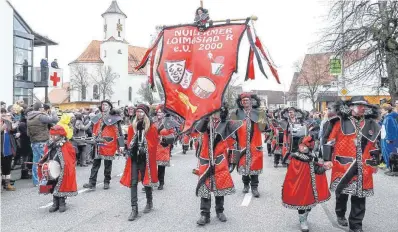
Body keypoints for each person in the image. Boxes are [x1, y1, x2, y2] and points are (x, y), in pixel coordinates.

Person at [322, 96, 381, 232]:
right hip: (343, 166)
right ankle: (340, 213)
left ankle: (356, 226)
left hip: (364, 167)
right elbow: (330, 141)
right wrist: (327, 159)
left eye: (364, 105)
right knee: (342, 194)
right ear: (350, 107)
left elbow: (374, 145)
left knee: (360, 197)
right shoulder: (340, 122)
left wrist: (375, 162)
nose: (362, 108)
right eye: (359, 105)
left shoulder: (371, 124)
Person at [193, 105, 243, 226]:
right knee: (204, 188)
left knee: (220, 188)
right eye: (213, 111)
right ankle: (204, 214)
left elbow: (233, 144)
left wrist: (233, 161)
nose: (215, 114)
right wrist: (205, 118)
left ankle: (220, 211)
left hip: (220, 161)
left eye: (218, 111)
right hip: (205, 161)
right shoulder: (203, 123)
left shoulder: (227, 125)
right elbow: (196, 134)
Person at [282, 128, 330, 232]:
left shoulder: (313, 157)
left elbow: (318, 170)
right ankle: (302, 220)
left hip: (310, 186)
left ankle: (304, 217)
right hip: (300, 185)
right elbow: (291, 172)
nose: (303, 148)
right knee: (301, 203)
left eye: (306, 146)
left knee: (310, 204)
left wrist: (325, 167)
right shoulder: (295, 157)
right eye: (302, 146)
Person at [120, 104, 159, 221]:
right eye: (138, 112)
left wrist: (145, 146)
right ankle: (134, 209)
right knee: (133, 182)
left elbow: (154, 144)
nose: (139, 114)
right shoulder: (132, 127)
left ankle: (149, 201)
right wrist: (129, 148)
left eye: (141, 112)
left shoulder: (151, 127)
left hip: (145, 158)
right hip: (134, 158)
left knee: (146, 181)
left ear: (146, 114)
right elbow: (130, 141)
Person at [231, 93, 267, 197]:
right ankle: (246, 185)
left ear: (251, 101)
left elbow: (263, 128)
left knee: (254, 167)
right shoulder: (237, 112)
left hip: (255, 145)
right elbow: (232, 128)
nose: (245, 102)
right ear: (240, 102)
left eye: (247, 100)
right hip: (241, 144)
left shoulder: (259, 112)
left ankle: (254, 188)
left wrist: (262, 117)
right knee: (243, 167)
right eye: (243, 100)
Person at [83, 100, 124, 190]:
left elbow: (119, 132)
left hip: (108, 143)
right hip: (98, 143)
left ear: (109, 106)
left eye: (105, 105)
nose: (103, 106)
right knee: (95, 163)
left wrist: (121, 145)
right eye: (102, 105)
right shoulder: (98, 116)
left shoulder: (114, 118)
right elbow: (94, 127)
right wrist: (93, 136)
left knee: (107, 164)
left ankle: (106, 182)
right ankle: (92, 183)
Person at [38, 125, 77, 213]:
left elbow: (71, 157)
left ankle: (62, 202)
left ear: (61, 135)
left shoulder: (67, 145)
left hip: (63, 168)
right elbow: (46, 154)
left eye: (55, 135)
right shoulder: (50, 144)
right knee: (53, 184)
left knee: (62, 184)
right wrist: (43, 161)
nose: (53, 137)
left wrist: (66, 166)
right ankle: (55, 203)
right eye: (52, 135)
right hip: (52, 168)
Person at [27, 102, 59, 187]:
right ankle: (46, 180)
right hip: (42, 141)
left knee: (36, 162)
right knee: (46, 161)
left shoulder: (29, 117)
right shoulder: (41, 116)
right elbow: (55, 120)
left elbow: (28, 133)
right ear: (40, 108)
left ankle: (36, 181)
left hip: (34, 141)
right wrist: (53, 111)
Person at [153, 105, 175, 190]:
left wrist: (164, 138)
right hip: (153, 146)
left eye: (160, 112)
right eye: (158, 112)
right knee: (152, 166)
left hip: (163, 146)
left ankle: (161, 182)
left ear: (164, 113)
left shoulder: (168, 122)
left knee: (161, 166)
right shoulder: (153, 121)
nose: (158, 114)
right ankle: (151, 182)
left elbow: (172, 134)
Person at [1, 110, 17, 191]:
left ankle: (6, 183)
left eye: (5, 113)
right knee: (4, 166)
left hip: (8, 148)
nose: (3, 115)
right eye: (2, 113)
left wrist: (13, 125)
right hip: (2, 149)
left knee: (7, 166)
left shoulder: (7, 122)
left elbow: (12, 131)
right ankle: (4, 183)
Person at [380, 104, 398, 176]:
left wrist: (390, 139)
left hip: (388, 140)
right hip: (385, 138)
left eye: (382, 109)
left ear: (386, 110)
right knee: (387, 153)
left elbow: (391, 129)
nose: (381, 111)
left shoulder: (389, 118)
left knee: (390, 153)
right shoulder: (387, 117)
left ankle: (393, 169)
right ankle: (390, 167)